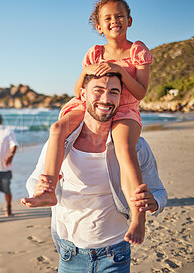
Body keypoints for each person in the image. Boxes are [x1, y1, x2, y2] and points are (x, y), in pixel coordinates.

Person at [27, 0, 153, 245]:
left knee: (125, 150)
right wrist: (87, 71)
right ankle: (49, 189)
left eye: (119, 16)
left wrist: (118, 71)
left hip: (124, 108)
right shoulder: (95, 53)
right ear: (99, 27)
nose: (114, 21)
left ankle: (138, 218)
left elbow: (140, 92)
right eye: (107, 18)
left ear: (129, 20)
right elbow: (78, 91)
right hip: (91, 104)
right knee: (57, 128)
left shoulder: (137, 50)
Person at [22, 72, 167, 272]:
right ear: (83, 95)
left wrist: (154, 202)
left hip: (116, 253)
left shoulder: (135, 146)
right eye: (98, 91)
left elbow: (159, 191)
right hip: (70, 254)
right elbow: (34, 179)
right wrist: (39, 190)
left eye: (113, 92)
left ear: (120, 98)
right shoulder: (61, 144)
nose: (106, 99)